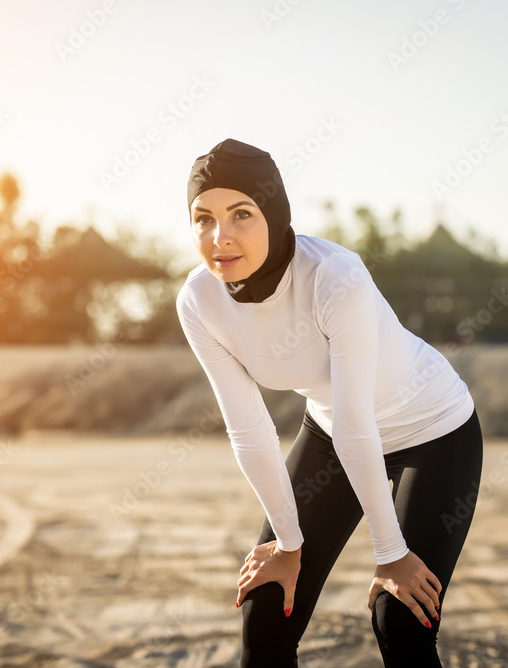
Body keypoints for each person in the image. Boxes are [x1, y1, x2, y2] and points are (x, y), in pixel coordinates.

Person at [175, 138, 484, 667]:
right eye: (203, 218)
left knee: (400, 617)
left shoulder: (334, 276)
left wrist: (391, 554)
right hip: (330, 434)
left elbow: (357, 420)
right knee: (268, 606)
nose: (220, 237)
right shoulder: (199, 302)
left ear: (274, 214)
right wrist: (287, 545)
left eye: (242, 214)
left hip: (434, 430)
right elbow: (249, 432)